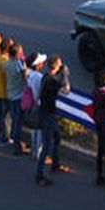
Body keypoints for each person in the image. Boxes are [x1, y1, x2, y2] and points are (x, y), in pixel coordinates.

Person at [36, 55, 71, 186]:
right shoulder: (52, 81)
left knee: (57, 137)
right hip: (48, 114)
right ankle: (39, 175)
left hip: (46, 111)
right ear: (56, 66)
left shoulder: (46, 77)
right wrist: (65, 75)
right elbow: (66, 90)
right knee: (47, 144)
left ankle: (55, 164)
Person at [3, 43, 30, 155]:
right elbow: (25, 76)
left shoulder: (7, 63)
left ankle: (15, 141)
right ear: (18, 53)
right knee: (18, 122)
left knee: (14, 119)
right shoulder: (18, 64)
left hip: (10, 93)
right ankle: (17, 146)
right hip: (19, 95)